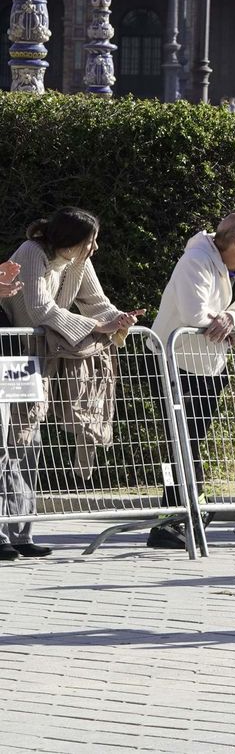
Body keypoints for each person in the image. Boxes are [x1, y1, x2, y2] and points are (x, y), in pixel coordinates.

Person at [0, 208, 139, 560]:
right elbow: (39, 310)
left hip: (34, 358)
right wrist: (96, 327)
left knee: (27, 439)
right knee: (5, 441)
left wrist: (118, 319)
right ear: (67, 239)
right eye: (88, 240)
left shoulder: (77, 260)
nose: (94, 247)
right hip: (11, 349)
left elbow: (97, 304)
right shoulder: (33, 252)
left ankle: (20, 531)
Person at [149, 214, 235, 549]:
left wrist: (233, 318)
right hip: (176, 361)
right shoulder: (196, 260)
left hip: (211, 365)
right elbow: (193, 314)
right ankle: (172, 516)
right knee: (177, 442)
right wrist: (226, 324)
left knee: (193, 439)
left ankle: (182, 513)